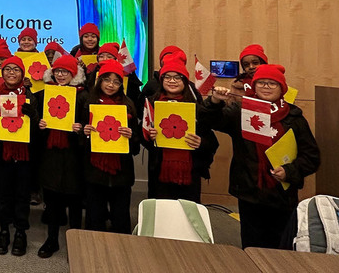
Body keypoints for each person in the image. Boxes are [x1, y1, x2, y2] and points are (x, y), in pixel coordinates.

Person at [202, 64, 320, 249]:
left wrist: (289, 171)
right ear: (254, 86)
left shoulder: (294, 118)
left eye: (272, 83)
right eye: (262, 83)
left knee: (281, 246)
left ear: (282, 88)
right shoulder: (242, 112)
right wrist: (214, 102)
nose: (266, 86)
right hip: (250, 192)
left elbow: (312, 157)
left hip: (282, 193)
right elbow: (209, 121)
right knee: (252, 244)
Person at [142, 58, 217, 203]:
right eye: (168, 77)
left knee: (187, 215)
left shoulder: (195, 106)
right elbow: (143, 137)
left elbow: (211, 141)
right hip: (160, 169)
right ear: (162, 80)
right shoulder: (151, 103)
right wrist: (150, 137)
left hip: (189, 172)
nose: (172, 81)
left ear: (185, 81)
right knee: (163, 212)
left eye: (178, 77)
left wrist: (200, 142)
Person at [36, 54, 86, 257]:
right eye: (57, 71)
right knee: (52, 199)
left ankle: (76, 241)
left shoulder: (83, 96)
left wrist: (80, 129)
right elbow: (36, 122)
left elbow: (90, 127)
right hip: (51, 155)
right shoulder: (44, 94)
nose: (61, 75)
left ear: (73, 74)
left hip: (74, 155)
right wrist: (41, 126)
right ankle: (52, 239)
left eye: (65, 71)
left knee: (74, 200)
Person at [82, 60, 139, 234]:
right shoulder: (88, 103)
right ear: (100, 80)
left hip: (121, 171)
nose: (111, 85)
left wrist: (131, 136)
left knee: (120, 215)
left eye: (116, 81)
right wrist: (84, 133)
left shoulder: (128, 104)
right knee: (94, 214)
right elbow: (78, 142)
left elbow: (136, 147)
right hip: (94, 170)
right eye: (107, 80)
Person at [0, 56, 38, 256]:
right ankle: (3, 230)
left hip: (25, 155)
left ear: (22, 73)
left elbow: (38, 130)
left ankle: (20, 232)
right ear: (2, 73)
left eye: (16, 69)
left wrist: (33, 116)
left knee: (22, 195)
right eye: (7, 69)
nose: (11, 72)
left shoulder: (30, 96)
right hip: (2, 153)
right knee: (3, 195)